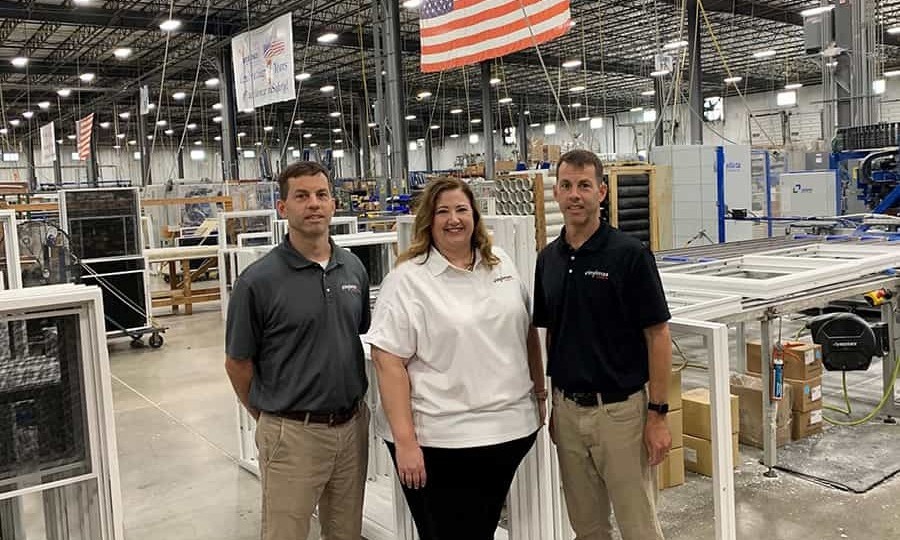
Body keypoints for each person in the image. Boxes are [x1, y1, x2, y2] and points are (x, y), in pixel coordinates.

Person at [366, 177, 545, 540]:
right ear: (428, 221)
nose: (453, 219)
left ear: (475, 216)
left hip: (508, 431)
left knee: (479, 530)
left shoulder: (501, 263)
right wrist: (406, 442)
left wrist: (539, 394)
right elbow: (388, 362)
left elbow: (526, 332)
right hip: (438, 441)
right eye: (442, 211)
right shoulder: (407, 280)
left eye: (461, 209)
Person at [224, 161, 371, 540]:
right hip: (292, 434)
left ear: (334, 204)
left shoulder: (353, 268)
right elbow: (238, 363)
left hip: (352, 429)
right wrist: (272, 419)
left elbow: (356, 332)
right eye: (302, 196)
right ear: (282, 207)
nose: (314, 204)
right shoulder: (257, 281)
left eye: (322, 195)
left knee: (346, 532)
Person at [533, 149, 672, 540]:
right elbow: (551, 334)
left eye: (584, 185)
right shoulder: (548, 260)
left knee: (638, 527)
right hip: (568, 413)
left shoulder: (629, 255)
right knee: (587, 527)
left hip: (620, 414)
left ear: (602, 192)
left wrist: (658, 414)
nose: (574, 195)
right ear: (556, 193)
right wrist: (553, 403)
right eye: (566, 186)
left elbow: (658, 335)